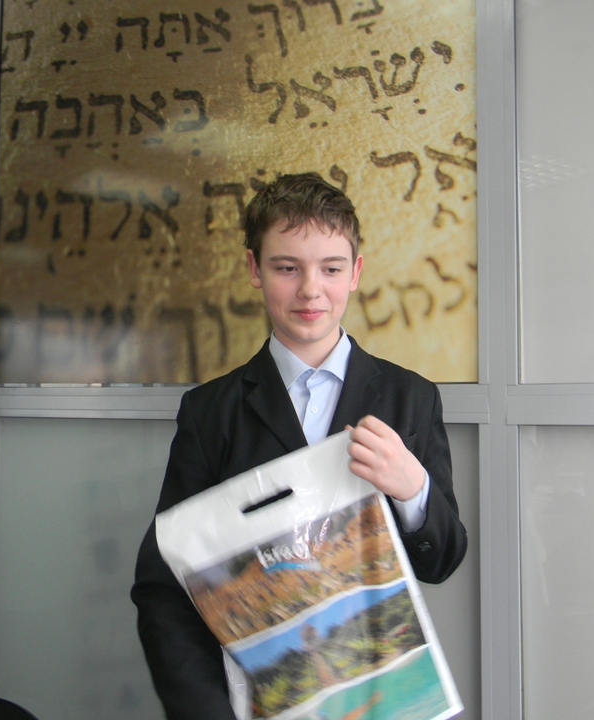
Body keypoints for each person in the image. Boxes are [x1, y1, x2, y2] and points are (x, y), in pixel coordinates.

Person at [131, 172, 468, 720]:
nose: (311, 290)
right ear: (254, 270)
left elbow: (442, 560)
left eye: (331, 269)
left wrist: (415, 491)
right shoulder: (210, 413)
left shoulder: (411, 397)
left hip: (382, 702)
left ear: (355, 272)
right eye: (287, 268)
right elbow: (164, 587)